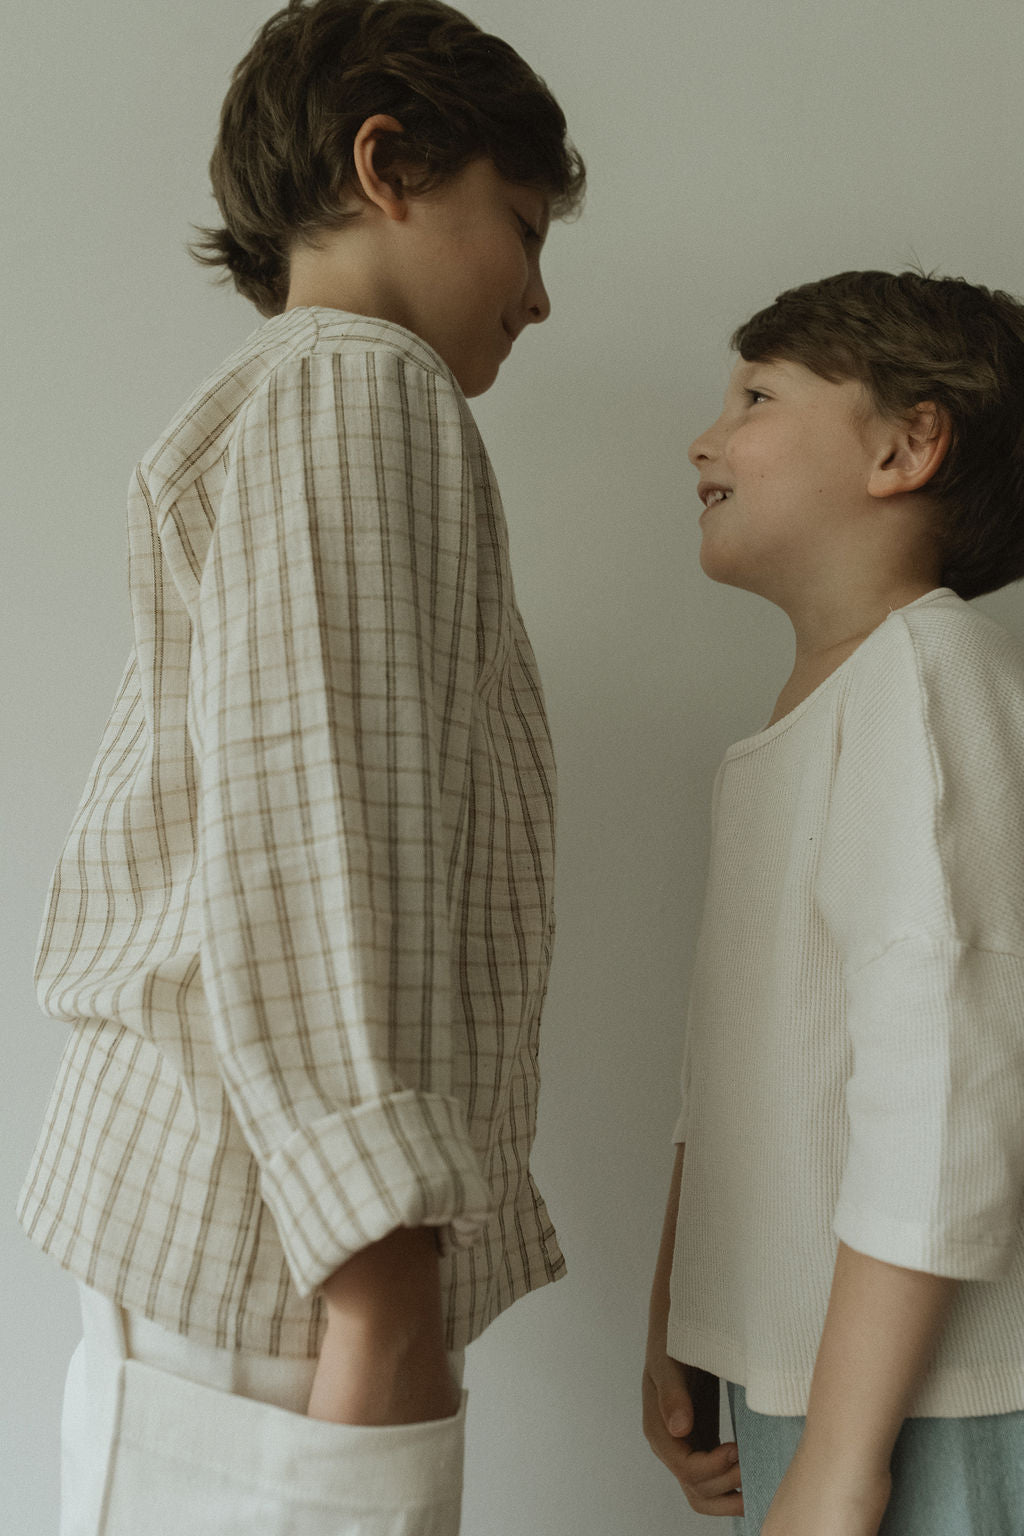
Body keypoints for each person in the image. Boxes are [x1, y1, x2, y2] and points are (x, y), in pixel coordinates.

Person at [17, 3, 584, 1531]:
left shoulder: (301, 399)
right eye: (522, 231)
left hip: (239, 1224)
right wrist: (382, 1255)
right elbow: (326, 824)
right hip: (297, 1254)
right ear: (387, 164)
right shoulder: (361, 392)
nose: (538, 298)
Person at [643, 269, 1024, 1535]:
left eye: (754, 395)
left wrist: (847, 1463)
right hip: (810, 1372)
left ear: (905, 447)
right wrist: (685, 1326)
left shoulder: (926, 675)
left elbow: (942, 1088)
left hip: (927, 1400)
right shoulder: (807, 724)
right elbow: (738, 1072)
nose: (705, 436)